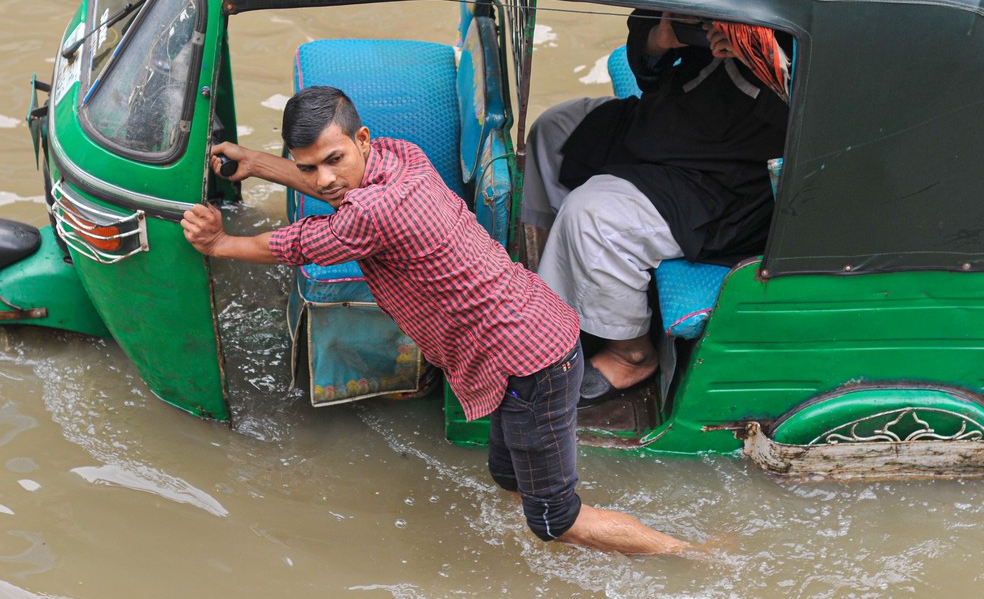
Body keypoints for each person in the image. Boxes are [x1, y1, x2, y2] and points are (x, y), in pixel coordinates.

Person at [181, 85, 690, 556]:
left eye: (333, 160)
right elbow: (337, 191)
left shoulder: (373, 214)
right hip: (528, 339)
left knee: (557, 521)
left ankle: (692, 555)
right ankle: (540, 514)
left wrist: (220, 243)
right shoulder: (400, 157)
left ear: (362, 139)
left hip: (531, 364)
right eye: (307, 167)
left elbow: (293, 244)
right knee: (507, 476)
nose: (324, 179)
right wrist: (257, 163)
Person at [521, 10, 789, 406]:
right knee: (554, 129)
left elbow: (822, 114)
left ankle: (630, 354)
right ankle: (570, 287)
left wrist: (762, 60)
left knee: (592, 215)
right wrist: (661, 40)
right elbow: (649, 62)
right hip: (673, 120)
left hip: (730, 175)